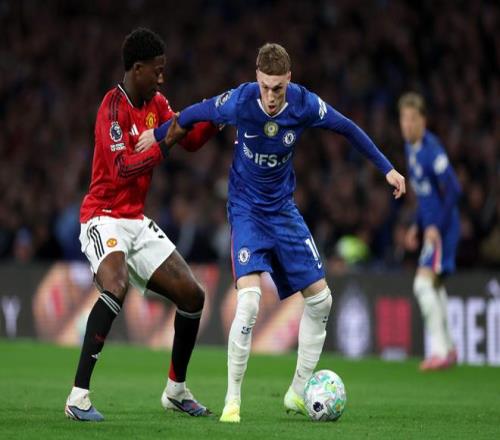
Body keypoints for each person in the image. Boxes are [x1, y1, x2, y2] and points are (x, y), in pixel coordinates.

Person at [138, 43, 406, 422]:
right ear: (257, 79)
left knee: (321, 300)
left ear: (289, 81)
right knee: (249, 303)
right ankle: (232, 401)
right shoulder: (240, 100)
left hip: (282, 212)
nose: (270, 96)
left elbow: (347, 127)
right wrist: (160, 134)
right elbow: (196, 112)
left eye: (278, 88)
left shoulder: (304, 104)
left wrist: (387, 168)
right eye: (265, 86)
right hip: (246, 211)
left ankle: (297, 393)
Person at [64, 28, 219, 421]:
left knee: (193, 296)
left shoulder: (157, 103)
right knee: (115, 285)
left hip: (134, 220)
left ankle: (176, 390)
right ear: (137, 69)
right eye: (157, 70)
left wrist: (216, 117)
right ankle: (77, 397)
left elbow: (189, 139)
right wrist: (163, 143)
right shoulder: (112, 108)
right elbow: (121, 170)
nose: (161, 78)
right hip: (102, 216)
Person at [399, 92, 461, 371]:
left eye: (413, 119)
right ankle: (449, 349)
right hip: (431, 228)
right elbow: (426, 196)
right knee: (435, 286)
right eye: (403, 119)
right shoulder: (410, 148)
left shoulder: (432, 150)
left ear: (423, 120)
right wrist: (418, 224)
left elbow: (454, 190)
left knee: (423, 285)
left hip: (444, 229)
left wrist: (435, 226)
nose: (407, 124)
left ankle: (439, 351)